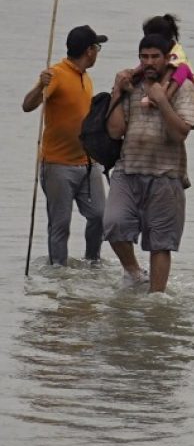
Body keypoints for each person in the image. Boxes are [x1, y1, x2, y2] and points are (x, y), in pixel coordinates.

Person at [102, 33, 194, 292]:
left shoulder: (184, 87)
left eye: (154, 57)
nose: (148, 62)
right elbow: (114, 132)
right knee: (113, 223)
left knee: (160, 243)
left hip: (166, 174)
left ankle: (156, 297)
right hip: (127, 169)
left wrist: (161, 100)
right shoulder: (131, 85)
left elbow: (180, 133)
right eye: (143, 57)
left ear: (167, 58)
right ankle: (134, 273)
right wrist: (116, 92)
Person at [21, 24, 108, 266]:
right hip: (57, 165)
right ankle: (58, 271)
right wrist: (40, 85)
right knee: (60, 225)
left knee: (100, 216)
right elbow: (27, 106)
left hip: (88, 163)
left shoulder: (86, 78)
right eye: (97, 47)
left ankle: (93, 262)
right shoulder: (57, 74)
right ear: (89, 50)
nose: (98, 52)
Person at [137, 13, 194, 107]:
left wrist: (161, 92)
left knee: (181, 68)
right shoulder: (157, 52)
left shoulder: (177, 51)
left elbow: (172, 69)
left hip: (189, 79)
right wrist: (133, 72)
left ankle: (166, 96)